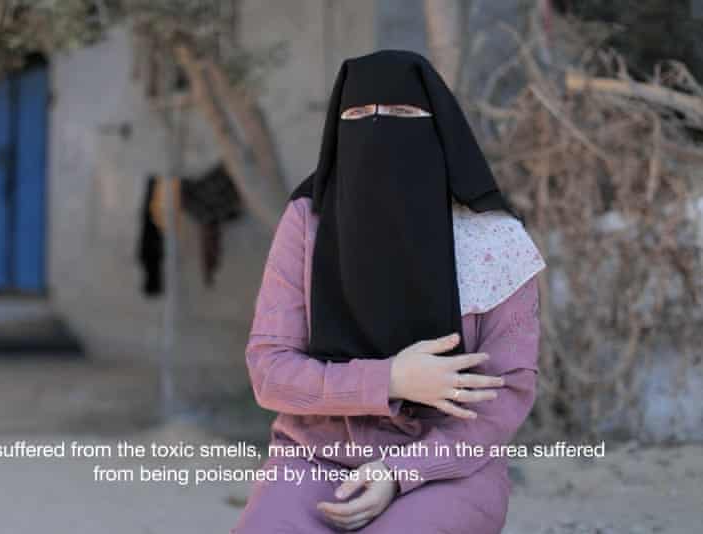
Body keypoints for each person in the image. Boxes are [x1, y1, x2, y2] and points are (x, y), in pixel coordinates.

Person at [233, 50, 546, 533]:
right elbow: (270, 371)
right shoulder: (308, 221)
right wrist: (391, 381)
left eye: (401, 115)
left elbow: (504, 397)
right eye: (357, 115)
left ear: (437, 126)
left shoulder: (493, 239)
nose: (377, 130)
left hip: (448, 465)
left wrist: (402, 472)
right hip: (317, 455)